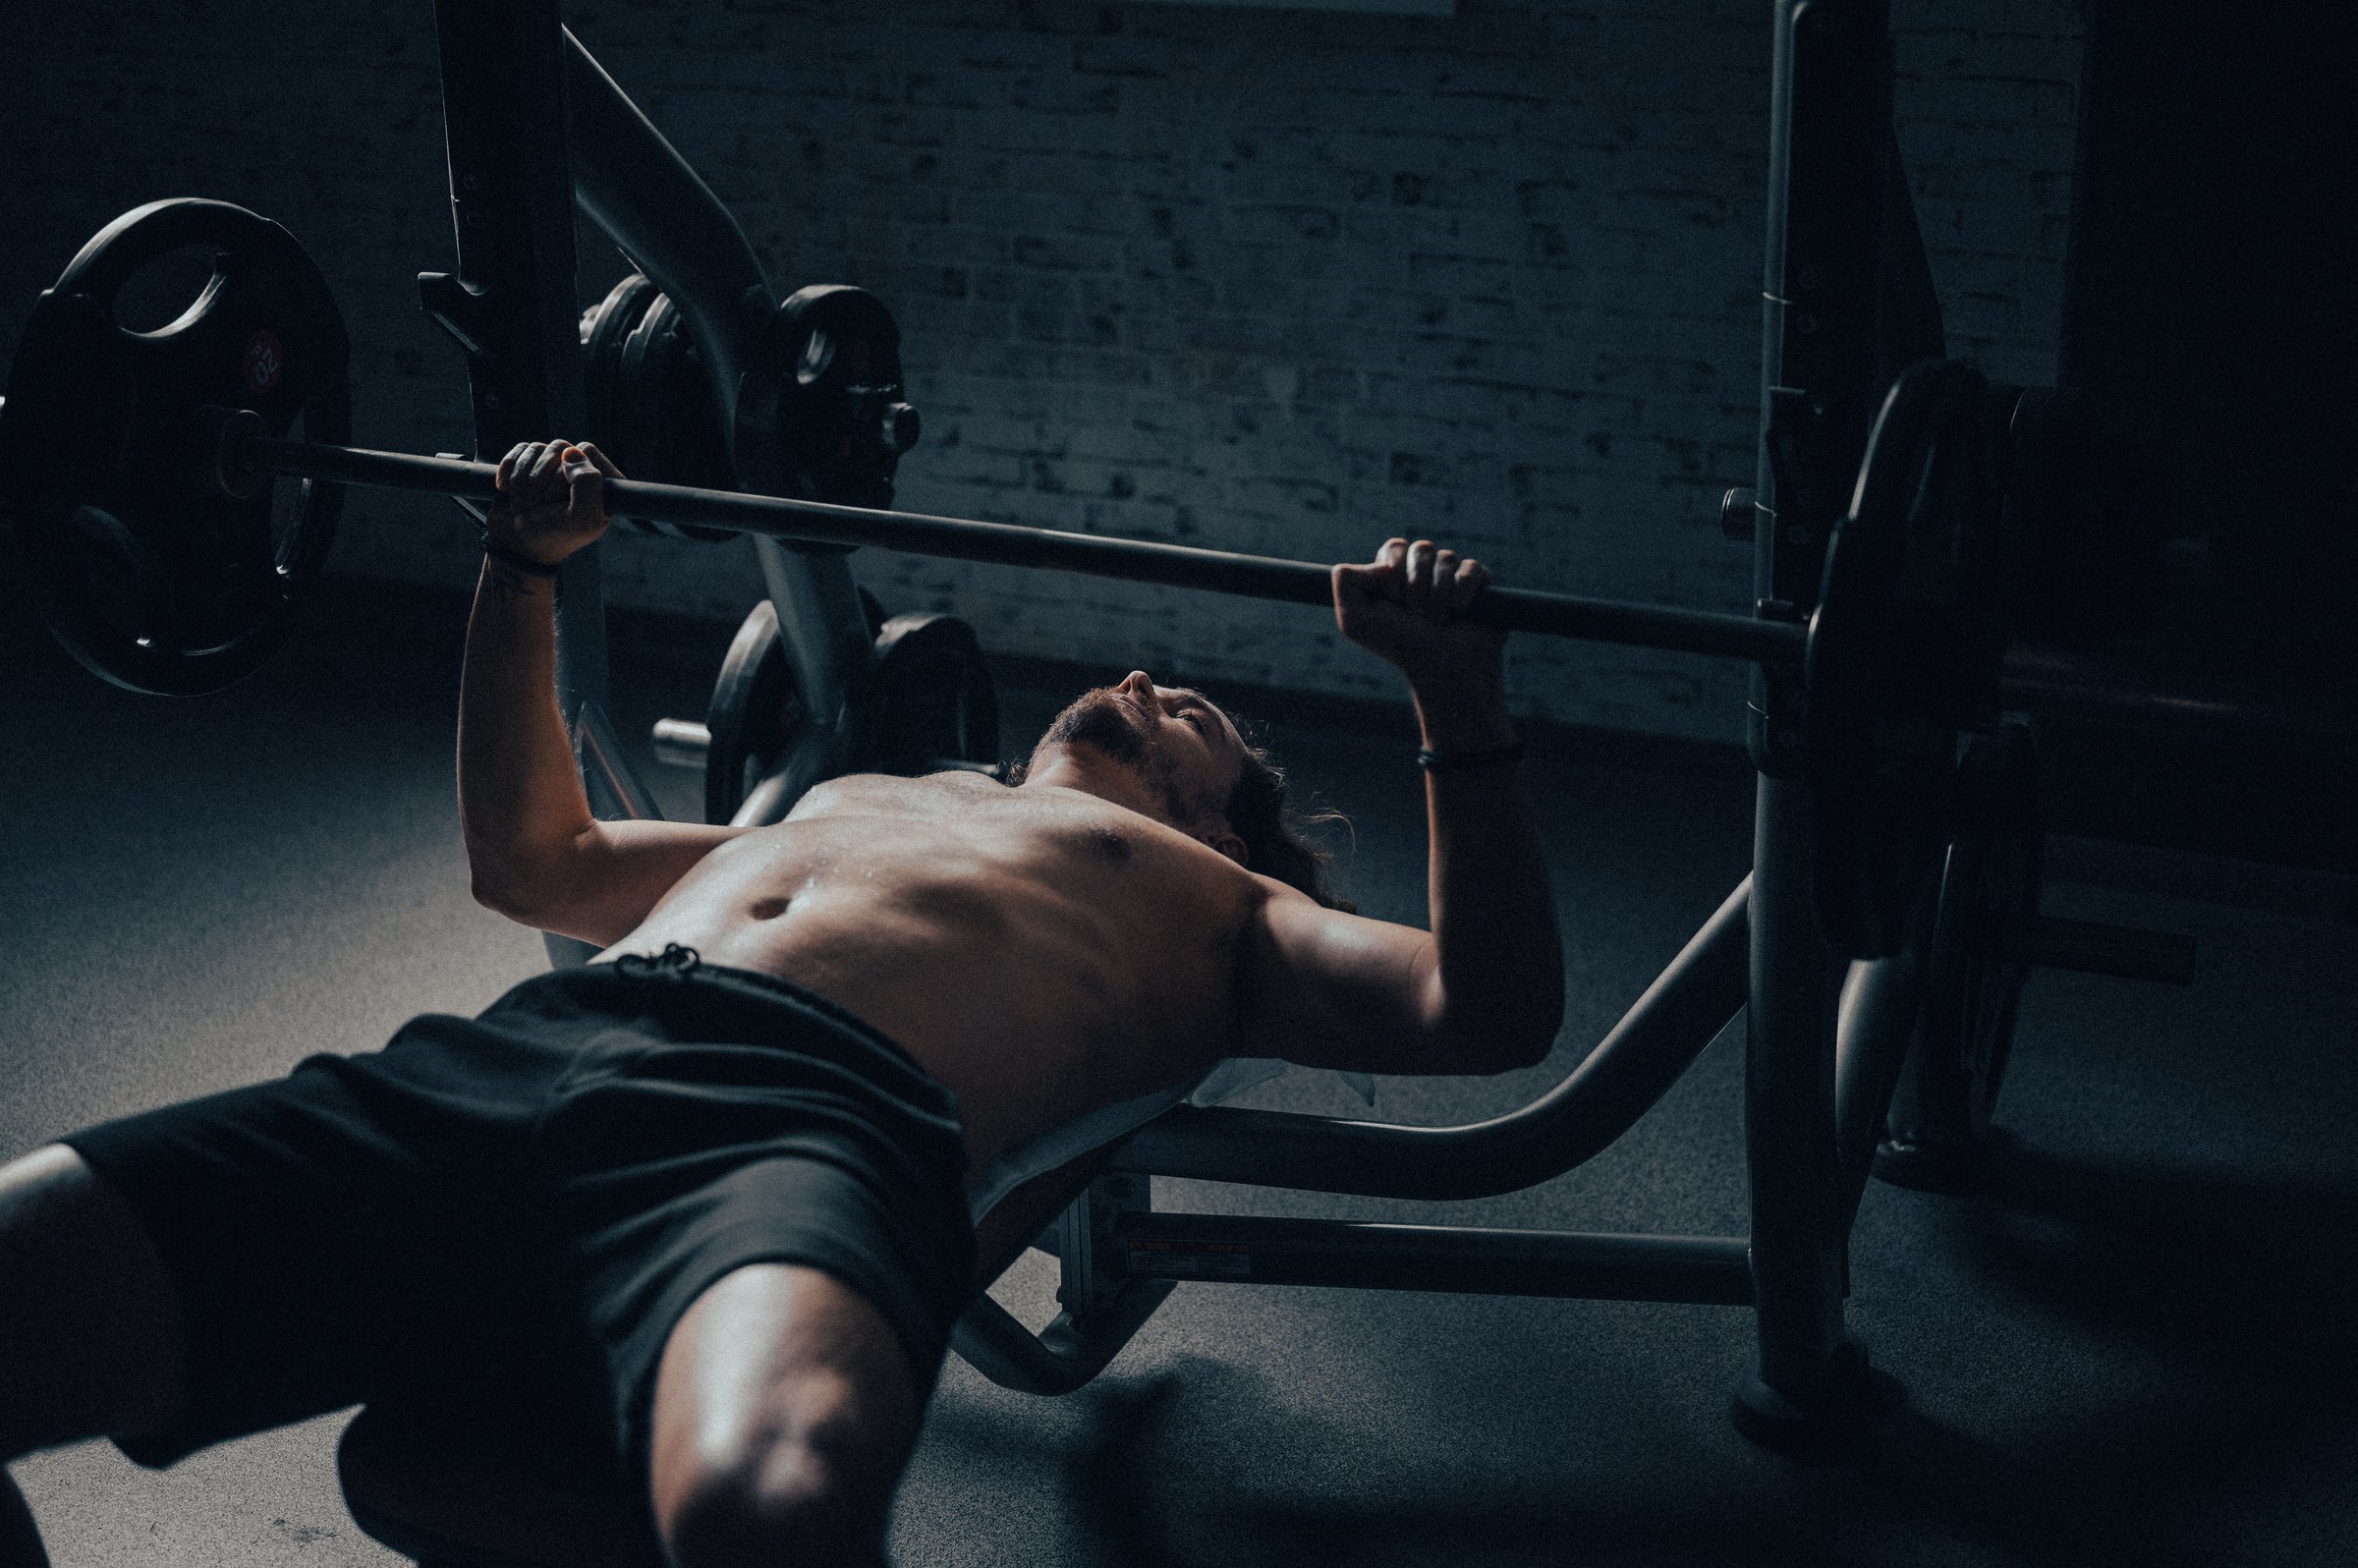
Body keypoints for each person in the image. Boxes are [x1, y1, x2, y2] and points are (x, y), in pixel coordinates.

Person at [0, 440, 1564, 1568]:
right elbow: (535, 860)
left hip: (803, 1130)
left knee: (778, 1503)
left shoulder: (1223, 908)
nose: (1154, 685)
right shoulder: (872, 792)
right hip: (523, 1060)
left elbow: (1479, 1008)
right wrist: (520, 569)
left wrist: (1456, 693)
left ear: (1222, 822)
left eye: (1193, 722)